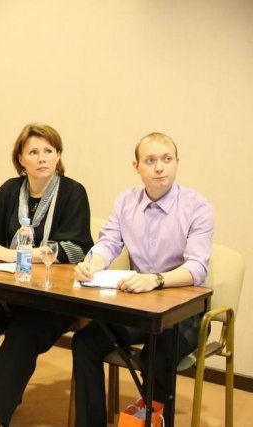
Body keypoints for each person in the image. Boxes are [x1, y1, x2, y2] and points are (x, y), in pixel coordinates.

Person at [71, 132, 214, 426]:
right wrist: (91, 264)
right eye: (150, 160)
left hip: (183, 315)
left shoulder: (197, 206)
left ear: (177, 162)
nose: (159, 167)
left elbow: (197, 267)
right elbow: (109, 243)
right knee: (85, 342)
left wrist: (156, 279)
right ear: (136, 166)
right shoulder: (126, 201)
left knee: (156, 355)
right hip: (139, 309)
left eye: (166, 159)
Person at [0, 124, 93, 427]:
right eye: (33, 152)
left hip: (52, 299)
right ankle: (1, 397)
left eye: (49, 151)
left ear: (58, 156)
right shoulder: (10, 190)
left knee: (21, 335)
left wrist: (17, 254)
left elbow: (76, 249)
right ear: (21, 159)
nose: (42, 158)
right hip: (9, 290)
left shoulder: (73, 192)